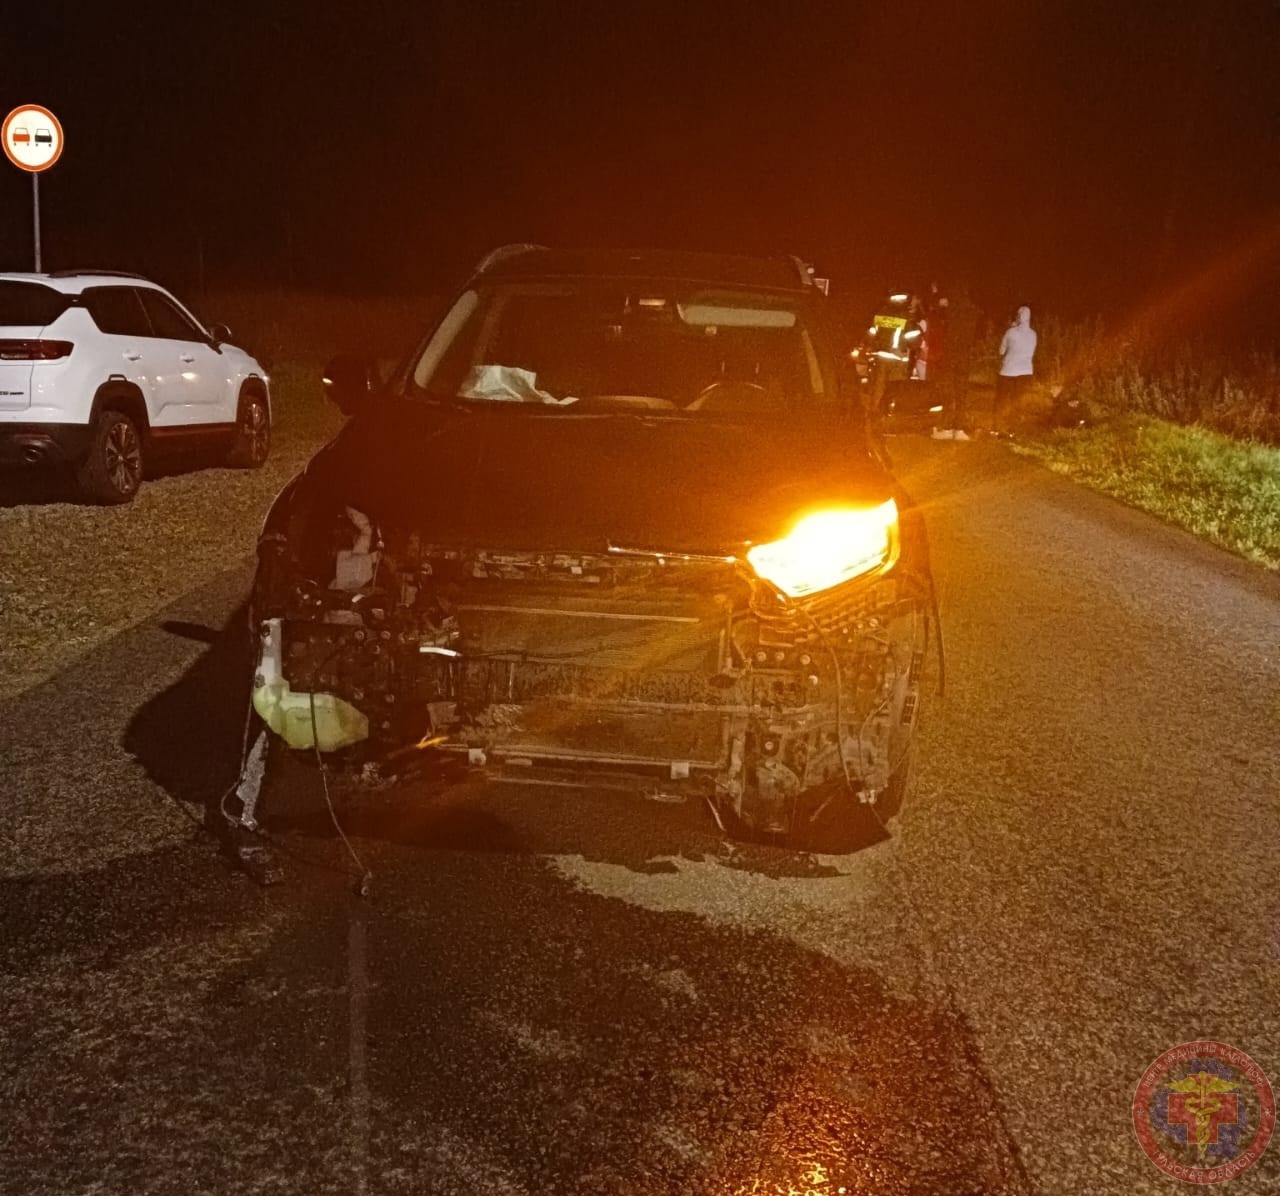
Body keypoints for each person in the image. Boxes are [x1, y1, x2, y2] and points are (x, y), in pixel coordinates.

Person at [994, 304, 1037, 436]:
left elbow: (1001, 351)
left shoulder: (1010, 332)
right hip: (1026, 371)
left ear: (1018, 317)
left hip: (1008, 371)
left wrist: (1011, 329)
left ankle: (999, 428)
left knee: (1002, 400)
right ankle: (1015, 429)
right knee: (1017, 401)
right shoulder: (1033, 335)